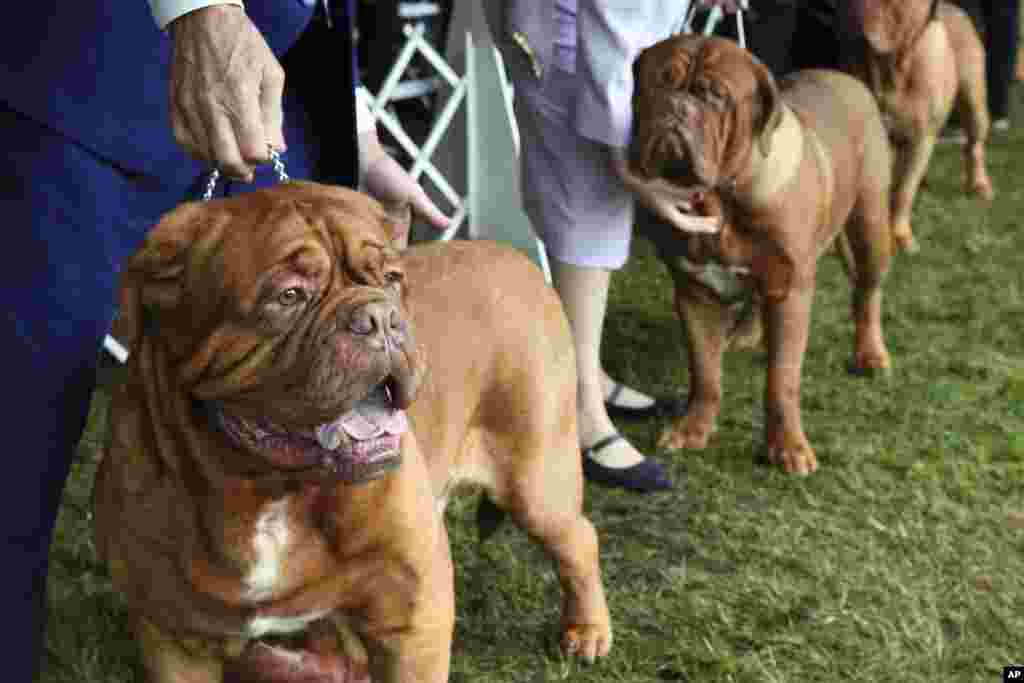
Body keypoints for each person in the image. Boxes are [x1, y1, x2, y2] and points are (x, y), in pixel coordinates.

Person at [0, 1, 447, 679]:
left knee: (306, 389)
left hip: (268, 72)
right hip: (76, 79)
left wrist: (355, 125)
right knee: (17, 449)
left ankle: (289, 615)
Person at [483, 1, 735, 493]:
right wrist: (628, 163)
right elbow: (610, 35)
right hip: (573, 40)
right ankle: (580, 413)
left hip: (591, 32)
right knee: (586, 209)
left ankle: (587, 373)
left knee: (591, 203)